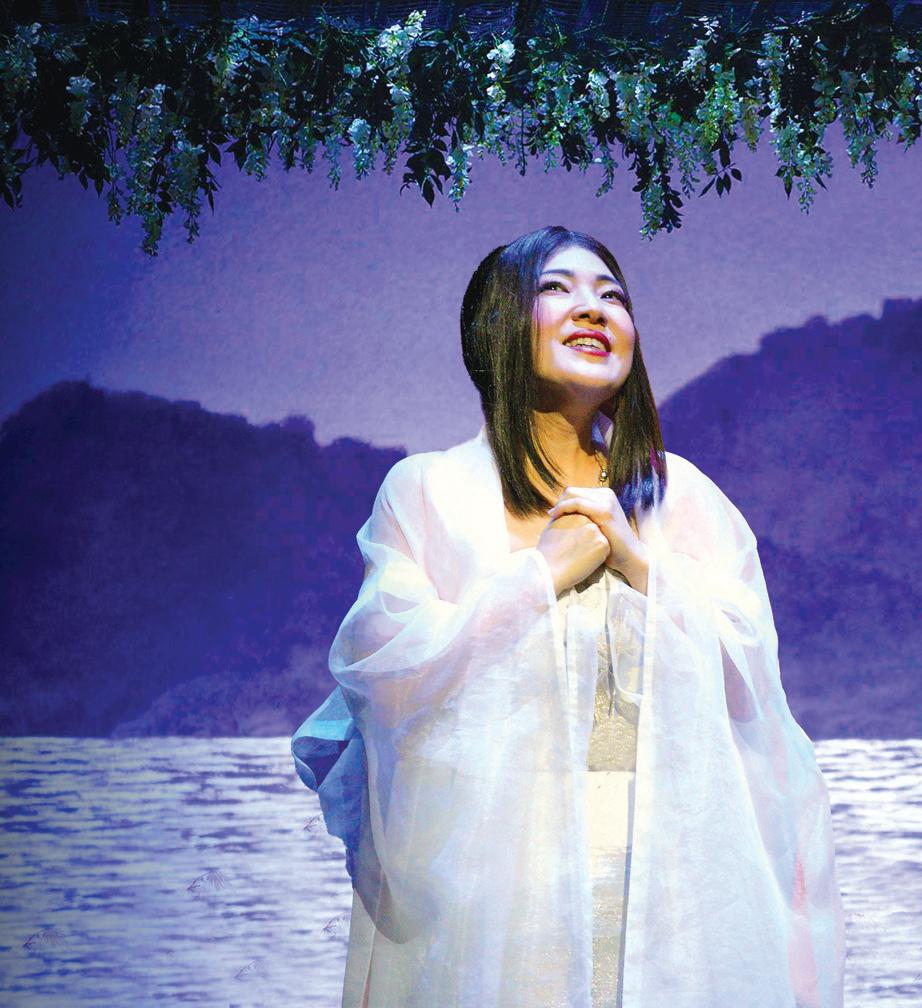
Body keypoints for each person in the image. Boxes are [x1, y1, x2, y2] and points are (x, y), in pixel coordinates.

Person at [292, 226, 846, 1007]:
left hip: (667, 893)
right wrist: (538, 576)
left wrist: (641, 565)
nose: (594, 309)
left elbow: (753, 686)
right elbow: (385, 672)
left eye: (612, 296)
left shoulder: (680, 496)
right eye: (557, 289)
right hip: (504, 898)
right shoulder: (430, 491)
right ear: (497, 325)